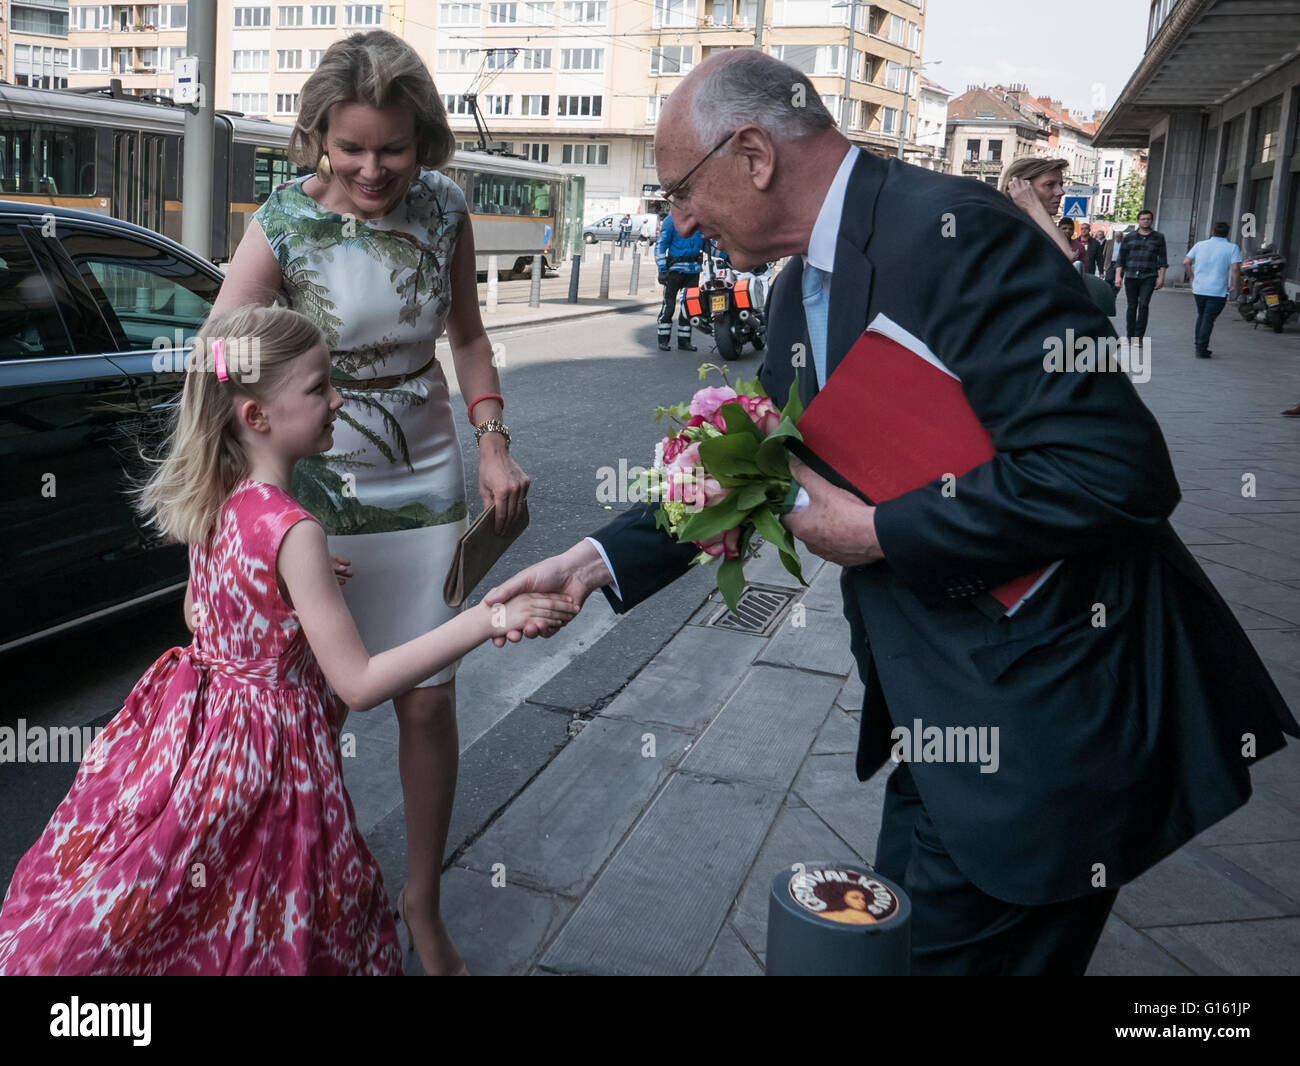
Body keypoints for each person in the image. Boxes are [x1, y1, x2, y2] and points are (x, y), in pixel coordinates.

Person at [485, 50, 1298, 976]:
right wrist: (590, 564)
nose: (678, 219)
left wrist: (877, 533)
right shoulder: (796, 290)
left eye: (680, 190)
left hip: (1045, 719)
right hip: (939, 716)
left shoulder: (963, 235)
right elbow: (754, 465)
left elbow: (1114, 468)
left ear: (751, 153)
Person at [0, 307, 574, 976]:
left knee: (198, 900)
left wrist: (286, 585)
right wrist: (487, 620)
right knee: (281, 904)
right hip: (269, 758)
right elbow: (356, 685)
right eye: (318, 387)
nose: (337, 400)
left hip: (199, 737)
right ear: (257, 417)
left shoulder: (216, 497)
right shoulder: (295, 531)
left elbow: (197, 611)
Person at [212, 30, 530, 976]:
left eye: (392, 147)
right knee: (320, 711)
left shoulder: (445, 210)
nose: (372, 167)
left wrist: (493, 443)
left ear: (422, 140)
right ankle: (321, 889)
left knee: (427, 706)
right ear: (318, 136)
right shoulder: (280, 223)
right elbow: (222, 360)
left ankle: (420, 900)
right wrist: (260, 513)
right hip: (318, 484)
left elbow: (468, 337)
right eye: (351, 147)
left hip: (424, 471)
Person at [1003, 159, 1114, 315]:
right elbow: (1066, 254)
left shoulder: (1039, 226)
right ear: (1019, 188)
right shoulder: (1006, 224)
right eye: (1050, 185)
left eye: (1061, 185)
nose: (1060, 192)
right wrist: (1032, 204)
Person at [1183, 221, 1243, 358]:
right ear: (1227, 233)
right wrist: (1235, 284)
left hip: (1199, 288)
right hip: (1217, 289)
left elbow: (1186, 262)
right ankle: (1201, 348)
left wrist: (1191, 277)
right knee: (1208, 318)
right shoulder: (1232, 248)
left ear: (1212, 232)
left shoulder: (1200, 245)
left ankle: (1198, 343)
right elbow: (1235, 268)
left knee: (1202, 315)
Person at [1115, 209, 1167, 341]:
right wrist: (1118, 276)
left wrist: (1161, 277)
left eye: (1148, 219)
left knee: (1144, 304)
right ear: (1138, 221)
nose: (1146, 221)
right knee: (1132, 305)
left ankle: (1138, 337)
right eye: (1143, 219)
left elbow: (1162, 259)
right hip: (1131, 275)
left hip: (1149, 276)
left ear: (1152, 220)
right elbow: (1121, 258)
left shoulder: (1158, 237)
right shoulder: (1129, 237)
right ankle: (1130, 334)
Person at [655, 210, 703, 351]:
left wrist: (729, 257)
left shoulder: (699, 221)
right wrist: (662, 268)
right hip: (674, 271)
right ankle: (663, 340)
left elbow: (709, 245)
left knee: (688, 308)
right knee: (669, 306)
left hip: (693, 271)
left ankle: (684, 341)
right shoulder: (671, 220)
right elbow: (661, 244)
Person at [1103, 228, 1123, 297]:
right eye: (1116, 236)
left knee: (1118, 280)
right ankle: (1108, 292)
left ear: (1121, 237)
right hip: (1111, 263)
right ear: (1114, 236)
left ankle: (1114, 294)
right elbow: (1104, 253)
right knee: (1108, 278)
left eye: (1119, 236)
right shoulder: (1109, 242)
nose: (1118, 238)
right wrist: (1104, 263)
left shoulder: (1124, 243)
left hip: (1120, 264)